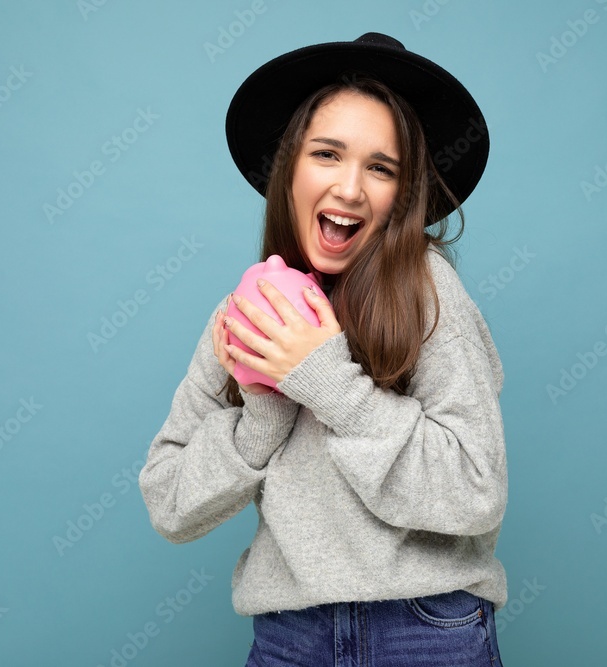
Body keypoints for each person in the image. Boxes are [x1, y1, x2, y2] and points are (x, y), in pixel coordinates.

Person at [139, 32, 508, 666]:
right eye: (327, 154)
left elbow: (475, 491)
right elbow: (170, 504)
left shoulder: (427, 291)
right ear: (289, 168)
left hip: (424, 630)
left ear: (404, 193)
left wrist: (324, 380)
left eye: (381, 168)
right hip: (291, 637)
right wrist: (261, 417)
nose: (350, 188)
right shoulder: (248, 314)